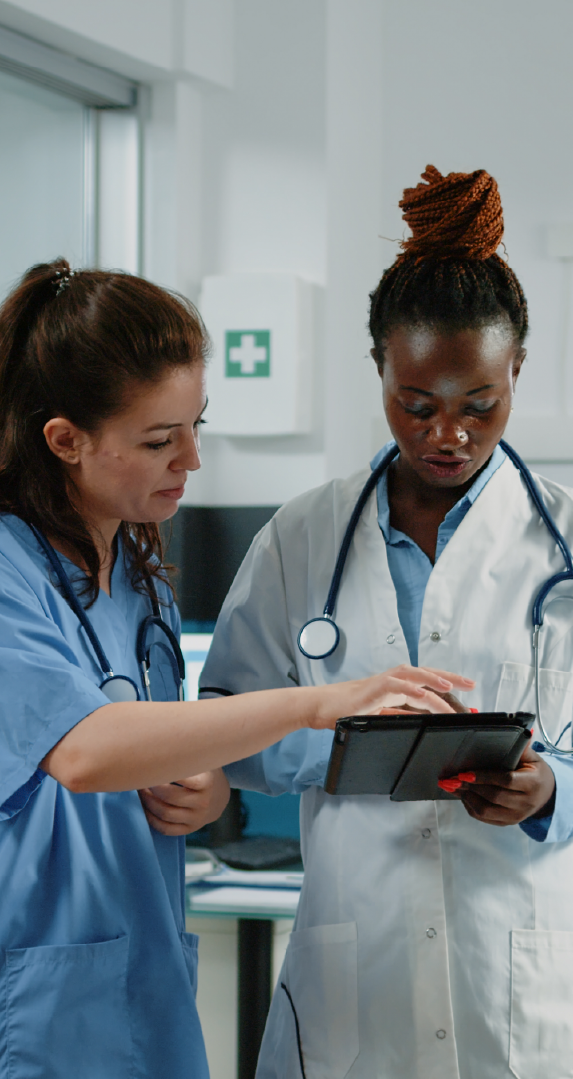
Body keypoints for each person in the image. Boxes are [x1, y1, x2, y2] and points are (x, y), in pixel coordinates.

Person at [0, 259, 469, 1079]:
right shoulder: (9, 570)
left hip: (141, 985)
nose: (193, 459)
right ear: (65, 439)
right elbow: (83, 749)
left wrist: (205, 787)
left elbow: (159, 744)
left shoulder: (137, 572)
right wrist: (318, 702)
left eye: (195, 425)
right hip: (40, 996)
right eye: (158, 440)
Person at [199, 166, 573, 1079]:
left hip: (516, 971)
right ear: (378, 371)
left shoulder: (561, 539)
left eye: (478, 405)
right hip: (355, 964)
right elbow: (221, 722)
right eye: (417, 404)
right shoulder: (303, 536)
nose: (448, 433)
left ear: (516, 370)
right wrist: (339, 741)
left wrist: (551, 790)